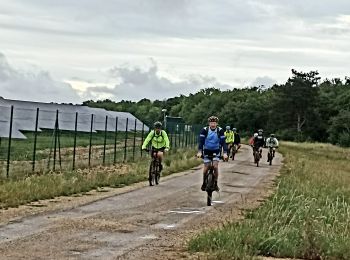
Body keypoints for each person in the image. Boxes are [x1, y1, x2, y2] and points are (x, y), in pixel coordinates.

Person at [197, 116, 228, 192]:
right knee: (206, 168)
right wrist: (200, 152)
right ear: (209, 123)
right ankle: (204, 183)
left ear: (217, 123)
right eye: (211, 123)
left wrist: (224, 153)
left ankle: (216, 183)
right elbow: (201, 142)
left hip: (216, 151)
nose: (213, 124)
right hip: (207, 150)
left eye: (214, 123)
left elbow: (224, 142)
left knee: (215, 166)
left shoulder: (220, 130)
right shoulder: (205, 130)